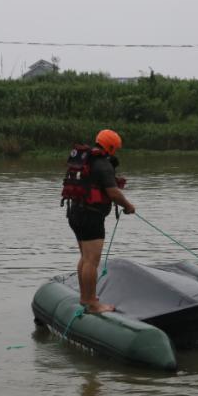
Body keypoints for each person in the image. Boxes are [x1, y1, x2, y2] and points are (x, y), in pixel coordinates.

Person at [65, 129, 136, 314]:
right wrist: (128, 206)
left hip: (75, 213)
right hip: (90, 217)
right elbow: (113, 193)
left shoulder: (86, 160)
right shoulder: (103, 164)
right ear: (111, 146)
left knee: (85, 258)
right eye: (115, 148)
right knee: (91, 261)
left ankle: (84, 298)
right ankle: (92, 303)